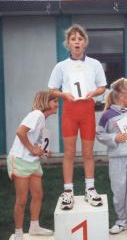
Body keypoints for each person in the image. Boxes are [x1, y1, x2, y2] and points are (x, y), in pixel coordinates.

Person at [48, 24, 107, 209]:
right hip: (70, 112)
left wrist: (93, 93)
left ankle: (90, 189)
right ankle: (68, 192)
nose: (76, 42)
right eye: (73, 39)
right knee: (69, 153)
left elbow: (102, 87)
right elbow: (52, 89)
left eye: (80, 39)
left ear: (85, 43)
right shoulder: (61, 66)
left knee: (88, 153)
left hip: (87, 110)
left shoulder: (94, 64)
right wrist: (64, 95)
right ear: (68, 43)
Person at [96, 78, 127, 239]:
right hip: (116, 158)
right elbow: (99, 134)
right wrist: (114, 138)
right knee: (118, 190)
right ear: (123, 96)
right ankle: (121, 220)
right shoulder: (107, 115)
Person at [7, 91, 58, 240]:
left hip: (32, 161)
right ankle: (18, 233)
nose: (57, 105)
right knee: (21, 200)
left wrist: (41, 151)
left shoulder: (41, 119)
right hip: (20, 159)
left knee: (38, 194)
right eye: (55, 101)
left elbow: (32, 139)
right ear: (46, 102)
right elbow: (20, 132)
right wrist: (32, 149)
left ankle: (34, 227)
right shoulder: (37, 115)